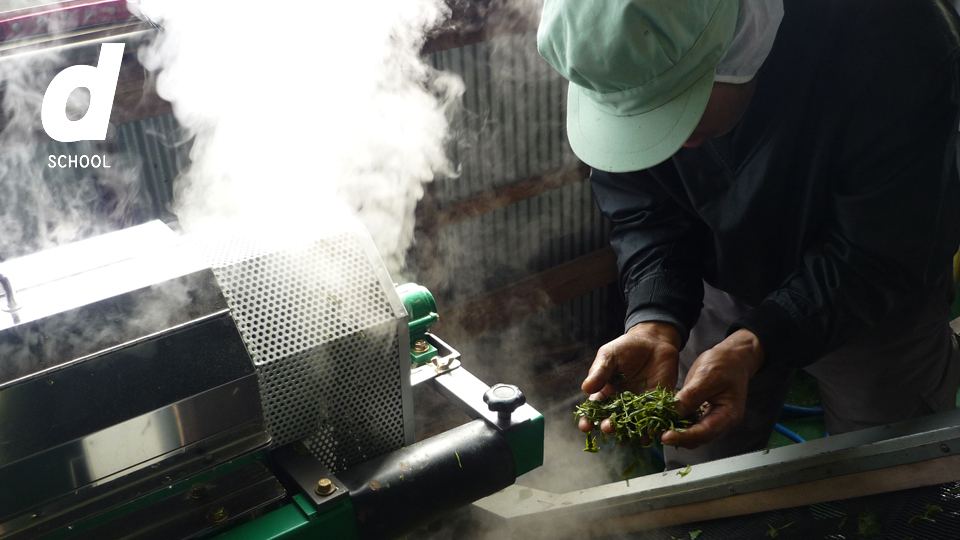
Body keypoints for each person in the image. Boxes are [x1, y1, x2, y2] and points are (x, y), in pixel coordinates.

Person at [537, 0, 960, 469]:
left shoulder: (898, 36)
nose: (671, 141)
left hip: (872, 295)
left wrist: (760, 340)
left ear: (738, 44)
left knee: (887, 470)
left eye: (679, 105)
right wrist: (655, 317)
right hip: (724, 281)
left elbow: (888, 241)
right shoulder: (612, 53)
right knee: (700, 465)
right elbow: (645, 208)